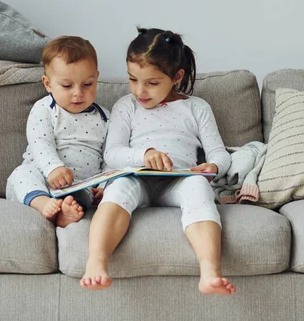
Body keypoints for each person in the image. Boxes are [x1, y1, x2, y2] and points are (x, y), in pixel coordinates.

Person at [80, 28, 236, 296]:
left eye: (152, 83)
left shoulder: (196, 108)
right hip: (136, 179)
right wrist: (144, 154)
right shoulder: (126, 106)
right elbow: (112, 152)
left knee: (199, 187)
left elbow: (219, 154)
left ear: (176, 77)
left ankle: (210, 271)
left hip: (178, 181)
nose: (140, 90)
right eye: (132, 79)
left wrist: (213, 167)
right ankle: (96, 262)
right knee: (117, 189)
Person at [6, 36, 109, 228]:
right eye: (67, 86)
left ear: (96, 78)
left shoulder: (105, 118)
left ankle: (64, 213)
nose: (78, 93)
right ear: (48, 84)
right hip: (41, 176)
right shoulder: (44, 108)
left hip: (79, 185)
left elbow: (109, 156)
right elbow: (40, 142)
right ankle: (42, 203)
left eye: (87, 84)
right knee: (21, 174)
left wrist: (104, 186)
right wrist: (53, 168)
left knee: (80, 197)